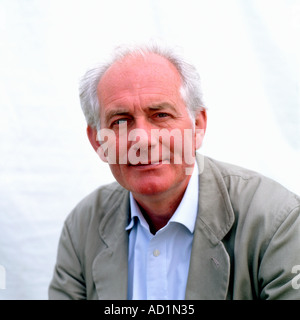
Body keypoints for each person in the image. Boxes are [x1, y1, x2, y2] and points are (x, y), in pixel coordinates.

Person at [49, 42, 300, 300]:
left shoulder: (277, 222)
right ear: (98, 141)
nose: (142, 140)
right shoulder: (82, 227)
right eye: (120, 121)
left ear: (198, 126)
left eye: (160, 115)